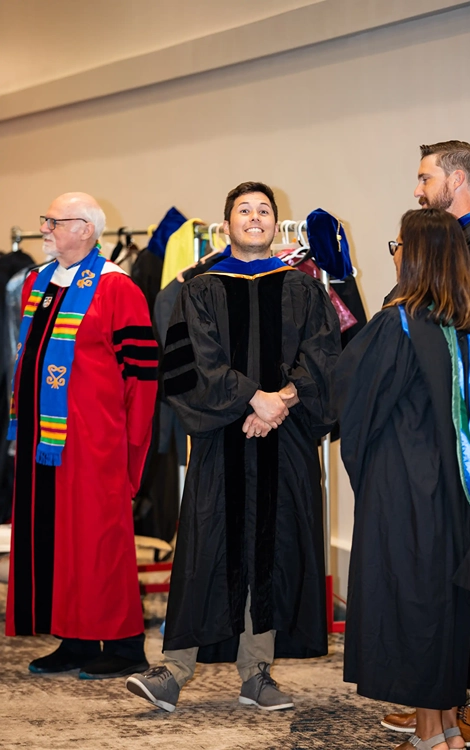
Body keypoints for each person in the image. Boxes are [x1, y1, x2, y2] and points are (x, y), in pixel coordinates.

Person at [126, 181, 340, 712]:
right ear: (226, 226)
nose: (255, 217)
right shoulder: (199, 289)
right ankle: (173, 670)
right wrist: (253, 400)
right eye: (244, 209)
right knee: (204, 546)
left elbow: (324, 360)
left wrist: (280, 402)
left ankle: (257, 672)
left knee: (272, 548)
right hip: (222, 438)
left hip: (284, 440)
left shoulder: (305, 288)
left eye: (264, 210)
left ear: (274, 223)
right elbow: (190, 366)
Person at [333, 208, 470, 750]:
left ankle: (429, 736)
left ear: (417, 255)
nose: (395, 253)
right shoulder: (466, 330)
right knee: (443, 605)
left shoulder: (398, 323)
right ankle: (447, 728)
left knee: (415, 607)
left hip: (406, 491)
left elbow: (354, 405)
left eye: (397, 244)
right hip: (458, 495)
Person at [5, 192, 158, 679]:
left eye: (55, 221)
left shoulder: (118, 288)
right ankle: (74, 639)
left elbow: (142, 376)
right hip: (45, 441)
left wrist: (131, 446)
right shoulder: (39, 282)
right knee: (59, 539)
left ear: (87, 230)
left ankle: (125, 643)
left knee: (100, 540)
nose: (45, 228)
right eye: (45, 219)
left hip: (97, 440)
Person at [383, 141, 470, 746]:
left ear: (456, 180)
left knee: (461, 564)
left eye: (424, 176)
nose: (417, 187)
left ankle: (464, 699)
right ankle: (446, 701)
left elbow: (440, 323)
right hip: (460, 431)